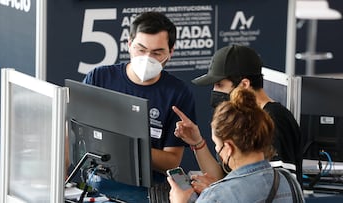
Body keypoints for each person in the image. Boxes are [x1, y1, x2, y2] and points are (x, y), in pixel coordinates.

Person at [83, 11, 196, 183]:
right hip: (99, 181)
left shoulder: (178, 93)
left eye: (157, 53)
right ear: (129, 44)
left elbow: (172, 161)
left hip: (151, 189)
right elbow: (71, 131)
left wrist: (125, 147)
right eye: (140, 50)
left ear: (170, 52)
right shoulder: (99, 78)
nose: (147, 59)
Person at [172, 44, 303, 192]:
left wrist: (216, 191)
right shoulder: (243, 118)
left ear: (244, 84)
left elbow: (276, 192)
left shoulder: (275, 120)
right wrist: (197, 143)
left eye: (220, 84)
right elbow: (223, 176)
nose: (215, 91)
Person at [168, 87, 304, 202]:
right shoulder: (289, 181)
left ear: (228, 148)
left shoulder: (215, 196)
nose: (217, 149)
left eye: (217, 145)